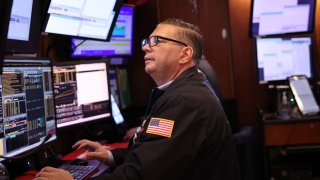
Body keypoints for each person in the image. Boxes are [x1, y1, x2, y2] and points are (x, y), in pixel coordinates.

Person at [34, 18, 241, 180]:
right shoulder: (184, 90)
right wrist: (112, 156)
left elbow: (141, 176)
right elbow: (157, 156)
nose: (146, 47)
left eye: (157, 41)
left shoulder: (185, 101)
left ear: (185, 54)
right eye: (147, 41)